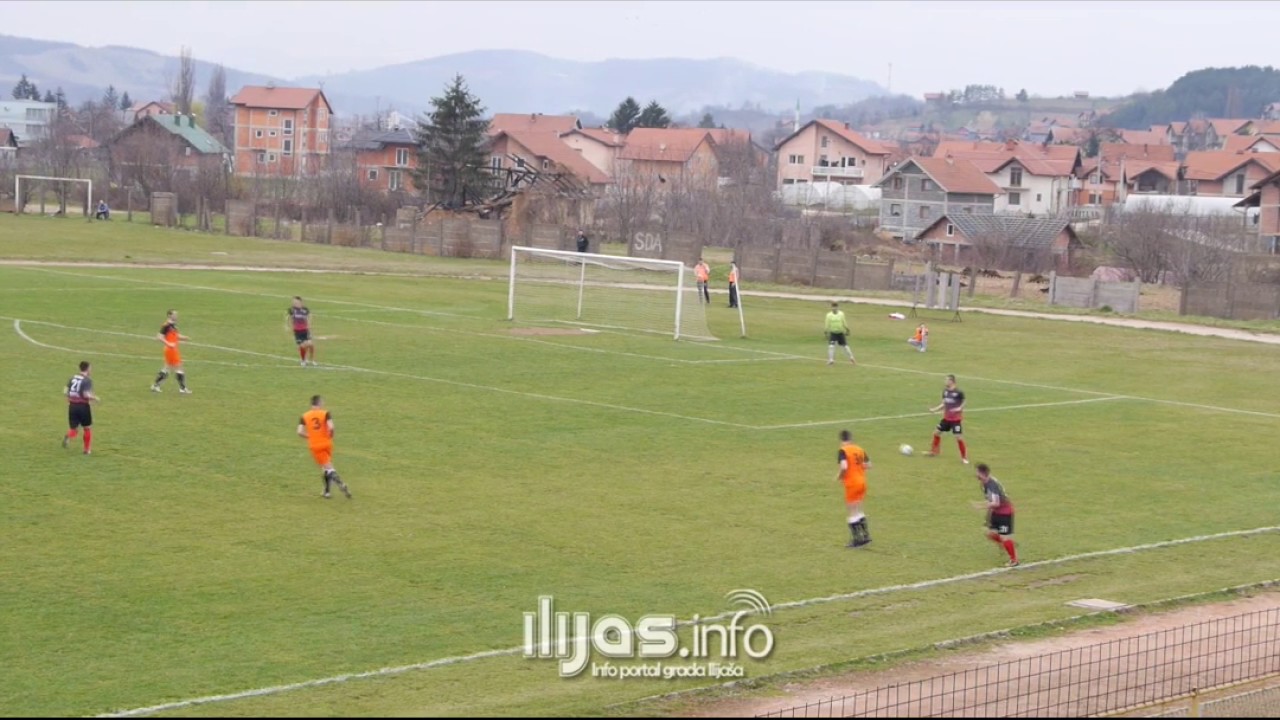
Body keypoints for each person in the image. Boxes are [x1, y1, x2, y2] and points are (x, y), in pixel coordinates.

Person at [298, 395, 351, 499]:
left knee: (328, 468)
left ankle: (341, 484)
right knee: (326, 466)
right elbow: (331, 427)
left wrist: (309, 436)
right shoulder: (325, 413)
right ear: (319, 403)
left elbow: (299, 431)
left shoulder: (304, 416)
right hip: (327, 443)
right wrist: (331, 435)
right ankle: (327, 492)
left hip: (315, 445)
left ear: (311, 404)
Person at [973, 463, 1018, 567]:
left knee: (1005, 537)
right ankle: (1007, 544)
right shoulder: (985, 483)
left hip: (1004, 513)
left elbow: (996, 503)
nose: (976, 475)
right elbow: (992, 502)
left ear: (982, 473)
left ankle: (1014, 560)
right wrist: (988, 516)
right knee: (989, 533)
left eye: (977, 472)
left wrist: (980, 506)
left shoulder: (991, 485)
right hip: (996, 512)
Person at [835, 429, 872, 548]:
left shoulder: (843, 450)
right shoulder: (859, 449)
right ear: (851, 438)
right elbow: (868, 465)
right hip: (862, 482)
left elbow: (844, 467)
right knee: (859, 509)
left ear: (841, 440)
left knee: (852, 511)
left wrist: (839, 476)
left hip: (852, 484)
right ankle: (865, 536)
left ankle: (857, 540)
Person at [926, 374, 967, 462]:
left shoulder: (959, 392)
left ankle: (964, 458)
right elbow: (944, 404)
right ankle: (934, 451)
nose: (945, 382)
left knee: (958, 437)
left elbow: (964, 401)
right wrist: (935, 409)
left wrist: (960, 408)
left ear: (952, 381)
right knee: (936, 433)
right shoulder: (945, 392)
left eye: (947, 380)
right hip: (946, 419)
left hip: (955, 420)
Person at [63, 360, 100, 455]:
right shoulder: (87, 380)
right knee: (87, 428)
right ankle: (86, 450)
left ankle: (68, 435)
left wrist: (69, 399)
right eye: (90, 368)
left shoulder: (72, 378)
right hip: (83, 406)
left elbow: (65, 391)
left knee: (74, 429)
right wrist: (95, 398)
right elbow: (85, 394)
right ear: (87, 369)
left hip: (72, 406)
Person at [151, 309, 192, 394]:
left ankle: (156, 385)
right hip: (171, 350)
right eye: (175, 314)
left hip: (172, 349)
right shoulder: (166, 325)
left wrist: (184, 338)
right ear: (169, 315)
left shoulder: (173, 325)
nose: (176, 316)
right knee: (179, 367)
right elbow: (159, 337)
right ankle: (182, 388)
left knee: (167, 368)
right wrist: (169, 344)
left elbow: (175, 336)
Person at [286, 296, 316, 366]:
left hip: (305, 330)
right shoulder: (292, 310)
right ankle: (303, 360)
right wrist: (287, 325)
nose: (294, 303)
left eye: (296, 302)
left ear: (300, 302)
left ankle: (312, 360)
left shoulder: (305, 309)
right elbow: (288, 317)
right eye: (293, 302)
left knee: (310, 344)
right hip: (297, 331)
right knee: (303, 346)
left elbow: (310, 315)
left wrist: (309, 324)